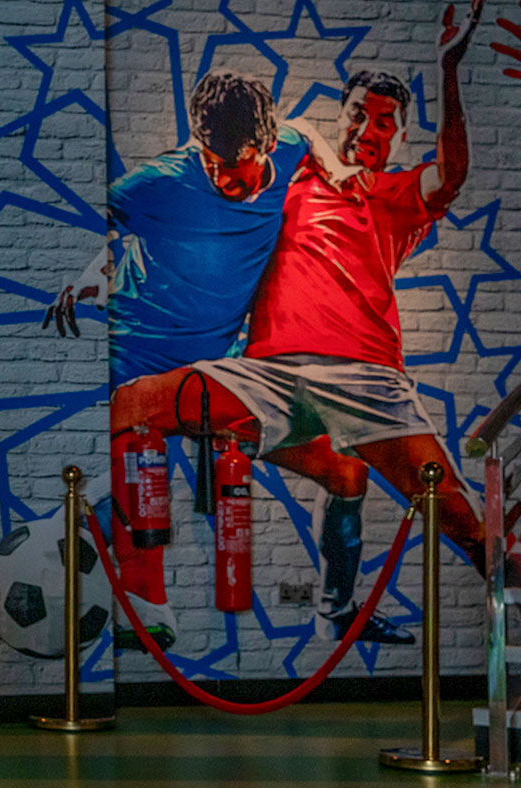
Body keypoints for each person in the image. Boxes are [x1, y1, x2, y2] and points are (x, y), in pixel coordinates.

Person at [111, 0, 498, 644]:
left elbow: (452, 173)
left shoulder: (396, 196)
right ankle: (144, 595)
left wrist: (449, 67)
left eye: (387, 124)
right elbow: (234, 173)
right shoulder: (283, 177)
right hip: (267, 375)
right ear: (340, 117)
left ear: (399, 138)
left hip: (365, 380)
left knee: (457, 520)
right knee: (131, 404)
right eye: (359, 115)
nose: (369, 130)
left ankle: (341, 607)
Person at [48, 69, 365, 650]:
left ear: (265, 146)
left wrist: (338, 169)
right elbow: (94, 220)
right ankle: (143, 606)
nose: (221, 175)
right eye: (210, 159)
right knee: (142, 475)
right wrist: (89, 273)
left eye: (235, 162)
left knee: (331, 462)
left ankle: (333, 603)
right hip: (135, 354)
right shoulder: (164, 179)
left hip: (216, 366)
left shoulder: (287, 148)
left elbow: (305, 131)